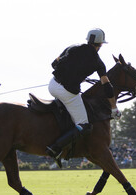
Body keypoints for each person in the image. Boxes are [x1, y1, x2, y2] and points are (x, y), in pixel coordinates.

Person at [46, 28, 121, 168]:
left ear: (88, 39)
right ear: (100, 44)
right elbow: (107, 87)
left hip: (53, 85)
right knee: (84, 125)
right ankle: (55, 148)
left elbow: (54, 64)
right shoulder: (98, 62)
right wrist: (113, 107)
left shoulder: (72, 47)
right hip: (68, 93)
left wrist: (75, 74)